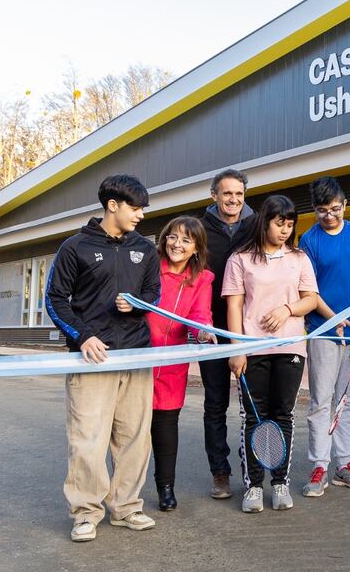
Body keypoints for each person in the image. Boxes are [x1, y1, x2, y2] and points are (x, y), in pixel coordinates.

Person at [45, 174, 161, 542]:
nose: (140, 215)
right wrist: (82, 337)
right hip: (92, 358)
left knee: (135, 438)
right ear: (113, 205)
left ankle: (127, 507)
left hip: (136, 356)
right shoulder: (75, 247)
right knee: (87, 439)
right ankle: (85, 513)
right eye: (135, 207)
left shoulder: (146, 248)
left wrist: (138, 305)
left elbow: (154, 294)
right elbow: (55, 300)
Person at [223, 195, 319, 513]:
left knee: (283, 416)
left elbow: (311, 300)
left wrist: (286, 309)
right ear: (264, 221)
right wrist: (237, 350)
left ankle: (279, 482)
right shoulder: (240, 259)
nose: (284, 230)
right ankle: (253, 485)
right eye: (279, 223)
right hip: (252, 349)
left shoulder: (299, 258)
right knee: (254, 416)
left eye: (289, 224)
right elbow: (234, 305)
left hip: (290, 348)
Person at [300, 176, 350, 497]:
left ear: (345, 204)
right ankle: (319, 464)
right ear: (315, 210)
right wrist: (332, 318)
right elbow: (308, 288)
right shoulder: (309, 239)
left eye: (335, 209)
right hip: (322, 330)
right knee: (322, 400)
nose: (330, 216)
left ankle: (344, 463)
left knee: (349, 398)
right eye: (322, 211)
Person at [146, 216, 216, 512]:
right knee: (130, 432)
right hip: (138, 360)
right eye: (173, 237)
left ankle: (166, 488)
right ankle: (123, 491)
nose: (177, 244)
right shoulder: (149, 266)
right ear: (164, 239)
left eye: (186, 240)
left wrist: (203, 331)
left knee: (165, 430)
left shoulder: (203, 279)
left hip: (173, 364)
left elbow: (200, 315)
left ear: (196, 249)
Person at [200, 168, 257, 500]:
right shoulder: (201, 229)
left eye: (239, 193)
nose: (234, 199)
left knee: (252, 403)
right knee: (215, 403)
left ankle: (252, 467)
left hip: (251, 330)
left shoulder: (256, 225)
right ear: (214, 196)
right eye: (227, 193)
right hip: (213, 330)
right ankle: (220, 472)